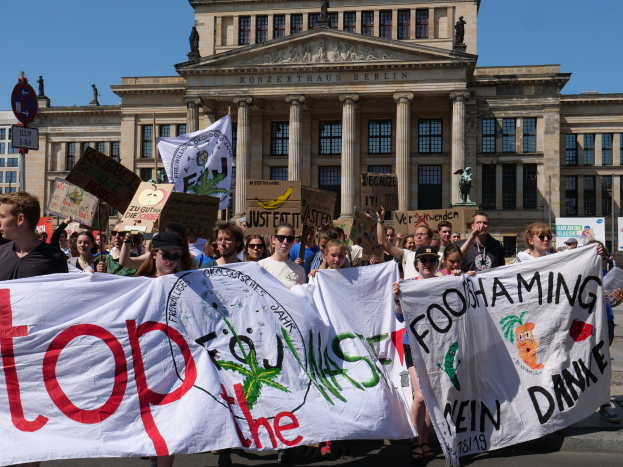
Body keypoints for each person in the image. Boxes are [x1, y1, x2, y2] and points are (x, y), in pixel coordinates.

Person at [393, 246, 439, 462]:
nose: (427, 264)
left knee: (431, 396)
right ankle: (415, 440)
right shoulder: (408, 286)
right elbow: (400, 317)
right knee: (420, 395)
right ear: (417, 263)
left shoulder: (444, 283)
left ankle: (424, 440)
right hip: (413, 344)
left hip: (437, 345)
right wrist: (396, 299)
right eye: (423, 260)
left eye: (431, 260)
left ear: (437, 263)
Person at [0, 192, 68, 281]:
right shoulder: (1, 254)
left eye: (2, 217)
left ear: (20, 219)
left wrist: (89, 280)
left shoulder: (55, 258)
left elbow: (64, 293)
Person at [376, 206, 431, 280]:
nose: (419, 236)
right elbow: (382, 242)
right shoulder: (407, 254)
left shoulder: (438, 256)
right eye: (416, 234)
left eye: (422, 234)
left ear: (430, 239)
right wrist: (380, 218)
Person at [259, 223, 306, 289]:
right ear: (273, 239)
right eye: (281, 238)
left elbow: (302, 297)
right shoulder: (261, 265)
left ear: (293, 241)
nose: (285, 242)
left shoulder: (299, 270)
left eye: (289, 239)